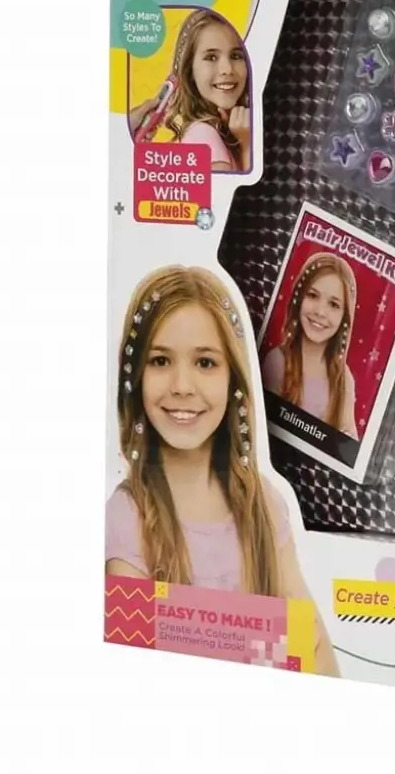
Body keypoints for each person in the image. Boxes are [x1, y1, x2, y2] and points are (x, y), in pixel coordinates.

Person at [105, 265, 338, 676]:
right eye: (160, 360)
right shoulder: (126, 519)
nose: (182, 385)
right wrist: (273, 642)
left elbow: (320, 659)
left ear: (234, 378)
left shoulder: (264, 505)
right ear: (136, 377)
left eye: (205, 362)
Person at [129, 9, 251, 172]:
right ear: (190, 70)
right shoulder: (203, 136)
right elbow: (233, 189)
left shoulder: (221, 130)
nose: (227, 69)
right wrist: (248, 145)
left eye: (236, 56)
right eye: (211, 57)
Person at [262, 253, 359, 439]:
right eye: (313, 295)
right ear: (299, 299)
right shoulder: (277, 361)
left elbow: (349, 440)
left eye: (334, 304)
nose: (320, 312)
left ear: (344, 317)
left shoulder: (344, 379)